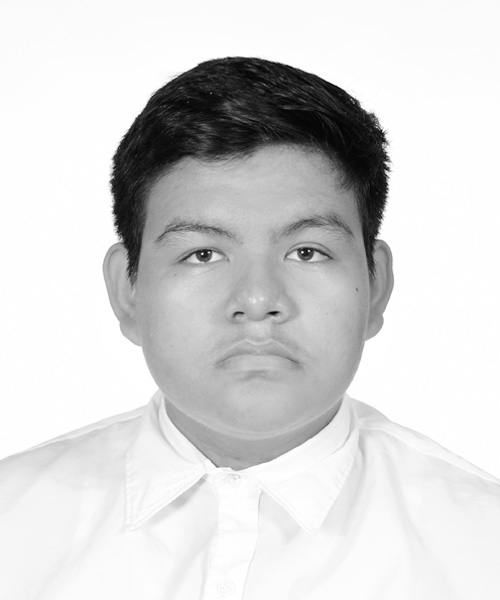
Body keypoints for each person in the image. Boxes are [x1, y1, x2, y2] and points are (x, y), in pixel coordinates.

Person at [0, 57, 499, 600]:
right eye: (203, 254)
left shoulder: (481, 547)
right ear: (128, 291)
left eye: (307, 251)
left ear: (376, 284)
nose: (258, 301)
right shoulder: (14, 525)